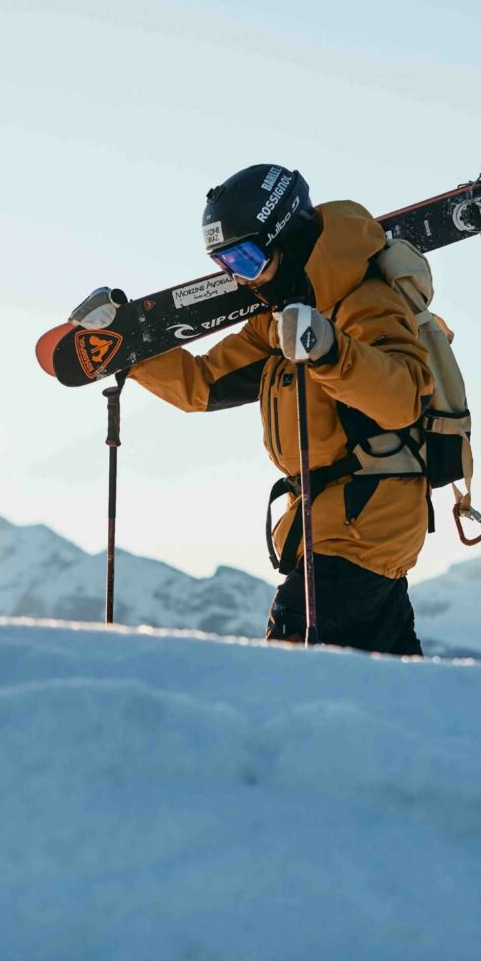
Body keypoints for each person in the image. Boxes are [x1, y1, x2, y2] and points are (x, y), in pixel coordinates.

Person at [70, 165, 436, 655]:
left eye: (246, 258)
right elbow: (200, 386)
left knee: (291, 663)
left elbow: (404, 398)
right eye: (226, 266)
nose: (239, 278)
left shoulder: (364, 302)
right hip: (332, 527)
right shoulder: (276, 319)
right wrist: (130, 345)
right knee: (385, 681)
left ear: (288, 236)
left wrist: (330, 350)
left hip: (363, 525)